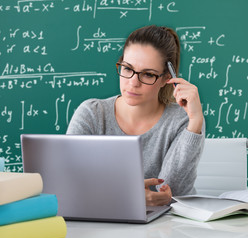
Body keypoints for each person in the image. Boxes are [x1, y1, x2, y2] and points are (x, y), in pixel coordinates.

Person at [66, 25, 205, 206]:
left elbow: (170, 194)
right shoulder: (91, 114)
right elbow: (69, 182)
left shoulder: (183, 121)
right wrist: (129, 196)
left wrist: (195, 123)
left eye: (148, 74)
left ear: (165, 79)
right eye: (127, 68)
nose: (133, 83)